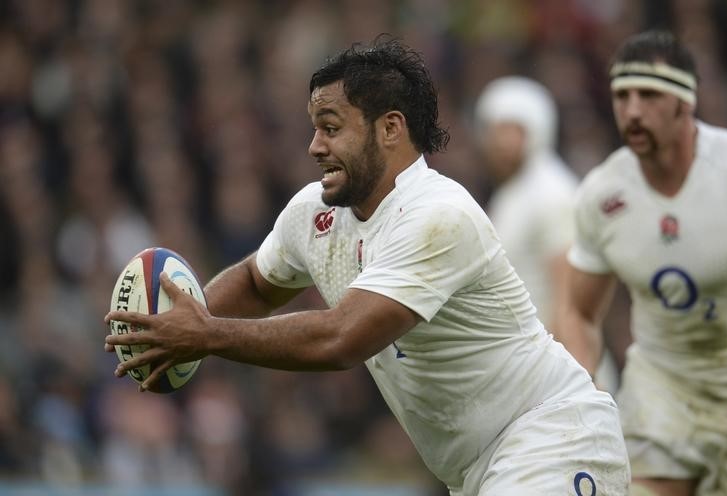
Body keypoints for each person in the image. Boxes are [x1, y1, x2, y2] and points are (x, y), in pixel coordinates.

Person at [105, 37, 630, 495]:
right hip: (476, 467)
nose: (314, 146)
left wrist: (206, 336)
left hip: (553, 437)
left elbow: (342, 340)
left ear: (390, 129)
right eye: (314, 128)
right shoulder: (314, 212)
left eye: (331, 128)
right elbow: (256, 282)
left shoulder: (439, 216)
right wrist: (172, 326)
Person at [557, 29, 727, 496]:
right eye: (621, 96)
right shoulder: (603, 193)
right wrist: (581, 385)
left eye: (648, 95)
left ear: (685, 103)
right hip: (661, 390)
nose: (631, 111)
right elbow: (578, 310)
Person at [473, 75, 619, 393]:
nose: (498, 142)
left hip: (562, 374)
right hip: (531, 374)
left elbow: (569, 297)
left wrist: (577, 382)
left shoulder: (552, 193)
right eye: (493, 129)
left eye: (509, 129)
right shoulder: (515, 194)